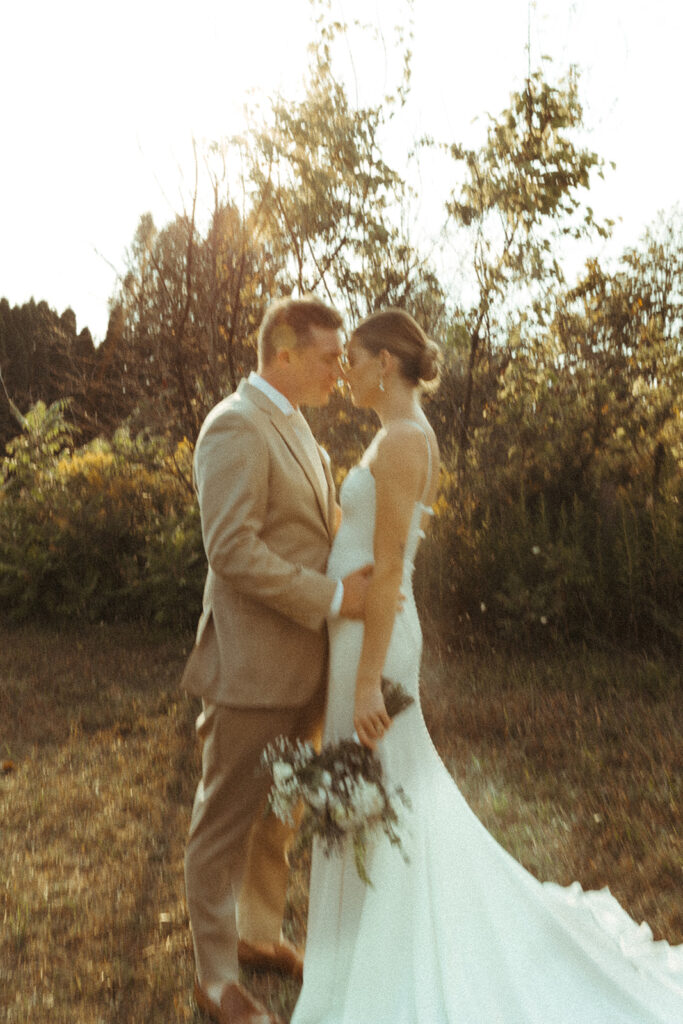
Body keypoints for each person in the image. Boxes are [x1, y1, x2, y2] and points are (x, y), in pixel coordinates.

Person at [291, 308, 683, 1024]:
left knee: (380, 790)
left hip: (373, 644)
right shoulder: (394, 436)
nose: (343, 371)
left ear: (385, 362)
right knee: (382, 793)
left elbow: (383, 575)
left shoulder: (405, 441)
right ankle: (365, 950)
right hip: (359, 637)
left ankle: (386, 960)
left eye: (352, 357)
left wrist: (364, 679)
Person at [182, 295, 372, 1024]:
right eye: (329, 357)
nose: (339, 369)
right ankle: (216, 976)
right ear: (284, 352)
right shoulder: (233, 426)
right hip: (253, 666)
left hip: (308, 667)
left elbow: (312, 532)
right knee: (224, 821)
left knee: (279, 814)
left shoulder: (302, 432)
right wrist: (332, 598)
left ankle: (259, 936)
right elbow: (230, 550)